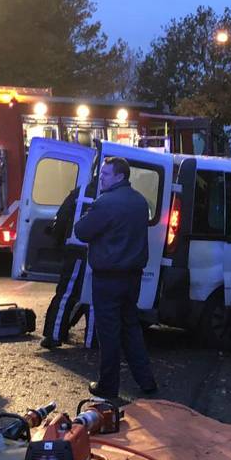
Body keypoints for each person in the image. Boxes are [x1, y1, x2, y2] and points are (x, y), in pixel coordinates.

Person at [74, 157, 157, 398]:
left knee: (109, 333)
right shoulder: (140, 202)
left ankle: (108, 386)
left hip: (108, 278)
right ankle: (146, 381)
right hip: (132, 278)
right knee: (131, 328)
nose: (101, 178)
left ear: (120, 176)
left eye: (106, 175)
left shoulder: (106, 203)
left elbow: (82, 231)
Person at [41, 182, 98, 350]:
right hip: (98, 253)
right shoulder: (111, 195)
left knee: (66, 294)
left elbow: (62, 217)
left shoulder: (79, 192)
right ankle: (93, 341)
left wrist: (58, 243)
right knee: (94, 297)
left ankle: (54, 335)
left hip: (75, 250)